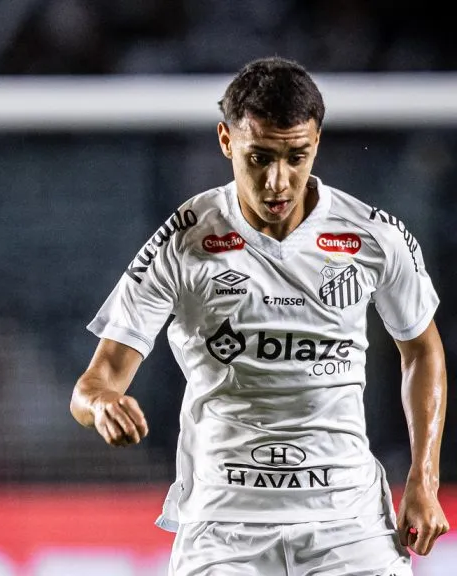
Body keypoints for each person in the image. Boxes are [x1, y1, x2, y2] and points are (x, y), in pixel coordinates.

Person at [69, 56, 449, 575]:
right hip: (225, 528)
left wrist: (423, 479)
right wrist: (102, 405)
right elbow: (95, 382)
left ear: (317, 141)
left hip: (347, 521)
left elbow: (421, 349)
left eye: (297, 156)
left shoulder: (372, 237)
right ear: (226, 141)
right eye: (260, 157)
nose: (278, 181)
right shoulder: (184, 241)